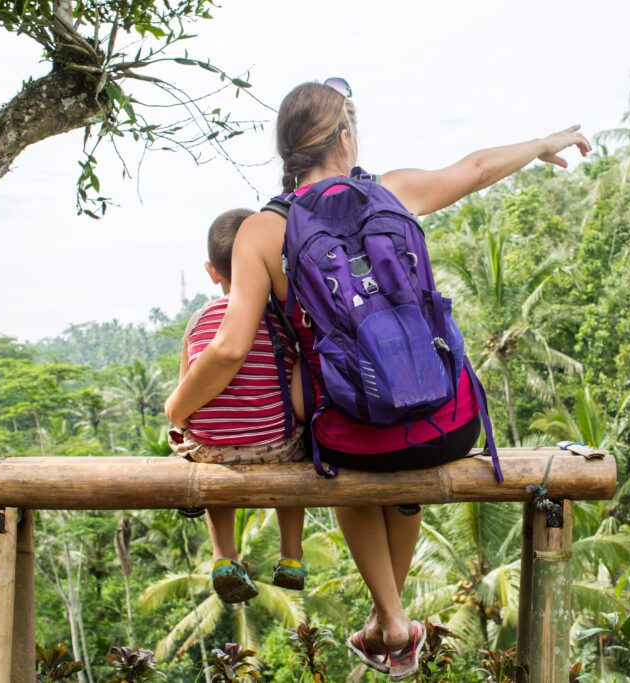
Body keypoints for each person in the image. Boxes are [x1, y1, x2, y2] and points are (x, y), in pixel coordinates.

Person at [166, 78, 591, 679]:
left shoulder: (263, 231)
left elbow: (231, 347)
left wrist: (176, 409)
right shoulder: (390, 192)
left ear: (287, 151)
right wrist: (542, 142)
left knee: (346, 437)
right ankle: (388, 620)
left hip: (350, 441)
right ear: (345, 136)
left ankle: (392, 617)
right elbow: (472, 169)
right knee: (402, 441)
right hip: (447, 423)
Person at [169, 208, 308, 604]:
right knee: (302, 446)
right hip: (278, 448)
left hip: (213, 450)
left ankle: (223, 556)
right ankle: (292, 556)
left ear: (213, 271)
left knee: (210, 451)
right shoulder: (278, 319)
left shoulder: (198, 320)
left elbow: (187, 388)